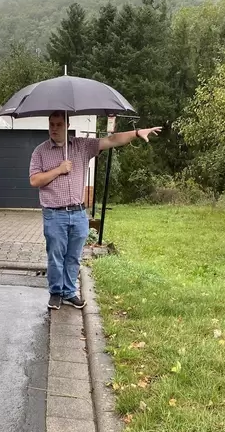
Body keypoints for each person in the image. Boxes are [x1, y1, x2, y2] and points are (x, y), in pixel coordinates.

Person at [29, 112, 162, 310]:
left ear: (67, 125)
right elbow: (34, 180)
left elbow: (111, 140)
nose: (54, 128)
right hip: (54, 214)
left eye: (58, 124)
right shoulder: (40, 152)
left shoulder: (82, 146)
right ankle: (55, 293)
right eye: (51, 124)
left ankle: (69, 292)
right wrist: (59, 169)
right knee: (56, 256)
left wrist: (136, 132)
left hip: (78, 213)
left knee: (73, 256)